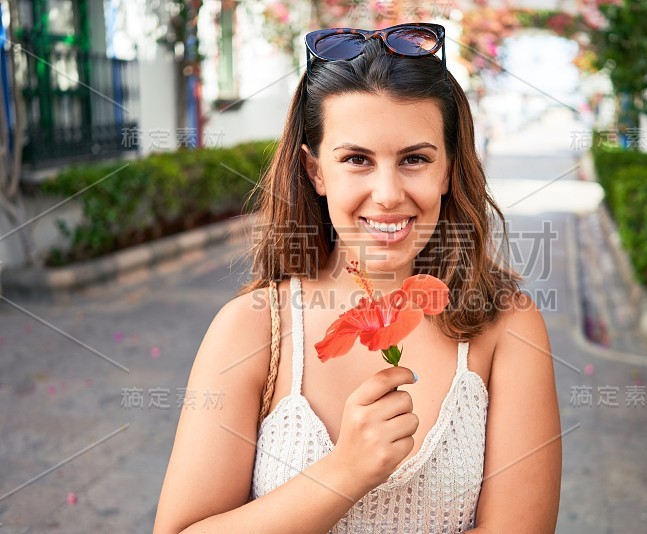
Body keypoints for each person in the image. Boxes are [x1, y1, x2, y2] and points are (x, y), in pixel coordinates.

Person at [154, 22, 561, 533]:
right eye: (356, 160)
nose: (388, 193)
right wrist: (343, 474)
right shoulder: (253, 329)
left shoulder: (506, 327)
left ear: (449, 170)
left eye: (414, 159)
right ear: (315, 171)